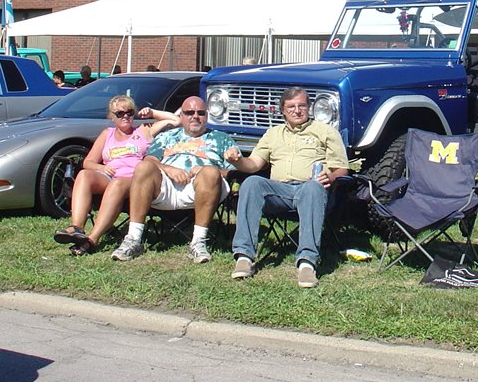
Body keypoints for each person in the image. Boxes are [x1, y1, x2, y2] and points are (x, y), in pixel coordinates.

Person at [225, 87, 349, 288]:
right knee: (252, 182)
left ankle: (307, 263)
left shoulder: (325, 131)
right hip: (279, 191)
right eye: (291, 106)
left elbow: (342, 169)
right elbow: (254, 165)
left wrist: (332, 176)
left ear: (309, 108)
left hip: (311, 191)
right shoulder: (272, 134)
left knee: (313, 187)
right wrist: (238, 161)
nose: (297, 110)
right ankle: (244, 257)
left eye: (302, 105)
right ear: (282, 109)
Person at [110, 96, 237, 264]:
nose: (195, 116)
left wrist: (208, 170)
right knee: (143, 167)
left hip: (203, 186)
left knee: (210, 173)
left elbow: (234, 171)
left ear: (207, 115)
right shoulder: (167, 136)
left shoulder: (222, 139)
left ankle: (198, 242)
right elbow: (150, 160)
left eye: (200, 113)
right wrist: (169, 169)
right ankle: (133, 239)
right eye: (189, 112)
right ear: (181, 116)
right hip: (165, 185)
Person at [54, 96, 178, 255]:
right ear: (111, 116)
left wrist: (152, 112)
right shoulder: (107, 134)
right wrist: (100, 167)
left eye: (129, 112)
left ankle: (92, 239)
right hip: (110, 176)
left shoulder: (144, 130)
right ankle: (76, 227)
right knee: (84, 175)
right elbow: (88, 162)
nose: (125, 116)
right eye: (119, 113)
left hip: (136, 181)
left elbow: (176, 120)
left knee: (117, 184)